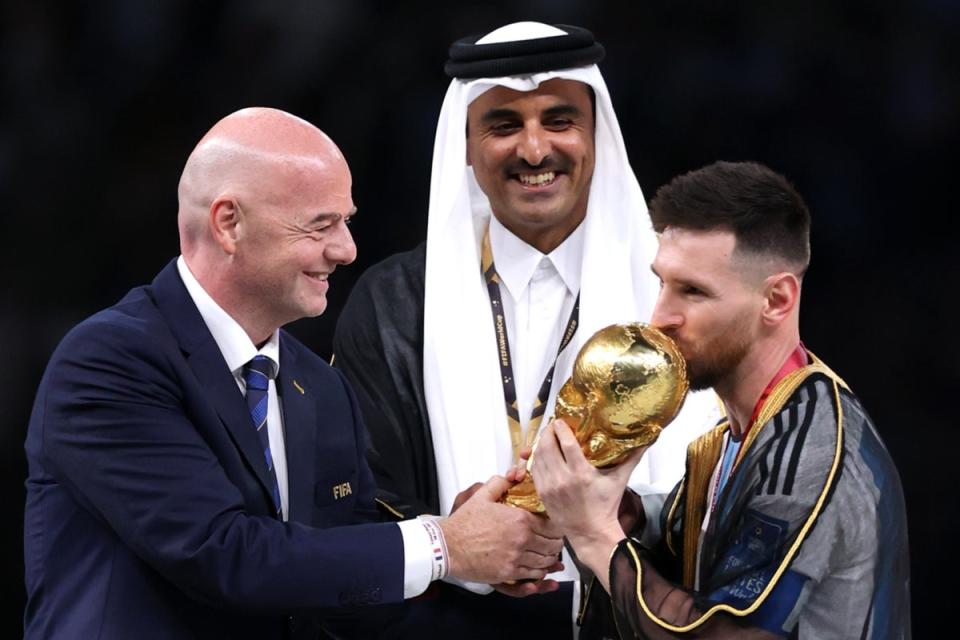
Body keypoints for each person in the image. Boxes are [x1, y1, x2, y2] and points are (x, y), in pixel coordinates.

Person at [22, 107, 564, 640]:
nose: (346, 249)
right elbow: (223, 556)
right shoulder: (110, 361)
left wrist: (479, 558)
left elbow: (346, 596)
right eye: (320, 224)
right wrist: (445, 544)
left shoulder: (320, 386)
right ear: (229, 223)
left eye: (346, 221)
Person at [332, 22, 717, 637]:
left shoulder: (676, 294)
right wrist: (448, 536)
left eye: (560, 120)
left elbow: (731, 479)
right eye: (504, 125)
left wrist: (632, 515)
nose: (534, 150)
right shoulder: (393, 301)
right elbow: (350, 491)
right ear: (464, 142)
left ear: (598, 136)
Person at [530, 161, 911, 638]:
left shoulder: (811, 455)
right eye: (662, 282)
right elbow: (689, 559)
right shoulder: (735, 434)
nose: (660, 317)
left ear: (776, 300)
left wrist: (594, 534)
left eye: (693, 291)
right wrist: (619, 513)